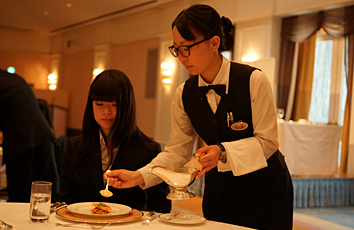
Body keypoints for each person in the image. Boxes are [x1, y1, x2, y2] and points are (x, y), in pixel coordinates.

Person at [106, 4, 293, 229]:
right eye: (176, 49)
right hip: (219, 193)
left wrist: (221, 151)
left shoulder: (254, 80)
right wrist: (138, 177)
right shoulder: (183, 94)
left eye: (187, 47)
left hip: (266, 191)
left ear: (214, 42)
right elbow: (176, 153)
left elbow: (268, 142)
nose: (181, 57)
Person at [60, 69, 171, 213]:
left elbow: (161, 208)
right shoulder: (74, 147)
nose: (107, 111)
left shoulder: (148, 150)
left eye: (114, 104)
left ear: (127, 106)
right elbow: (65, 201)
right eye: (99, 104)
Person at [0, 68, 60, 202]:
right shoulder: (14, 78)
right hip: (43, 134)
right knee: (48, 192)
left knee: (20, 195)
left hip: (20, 140)